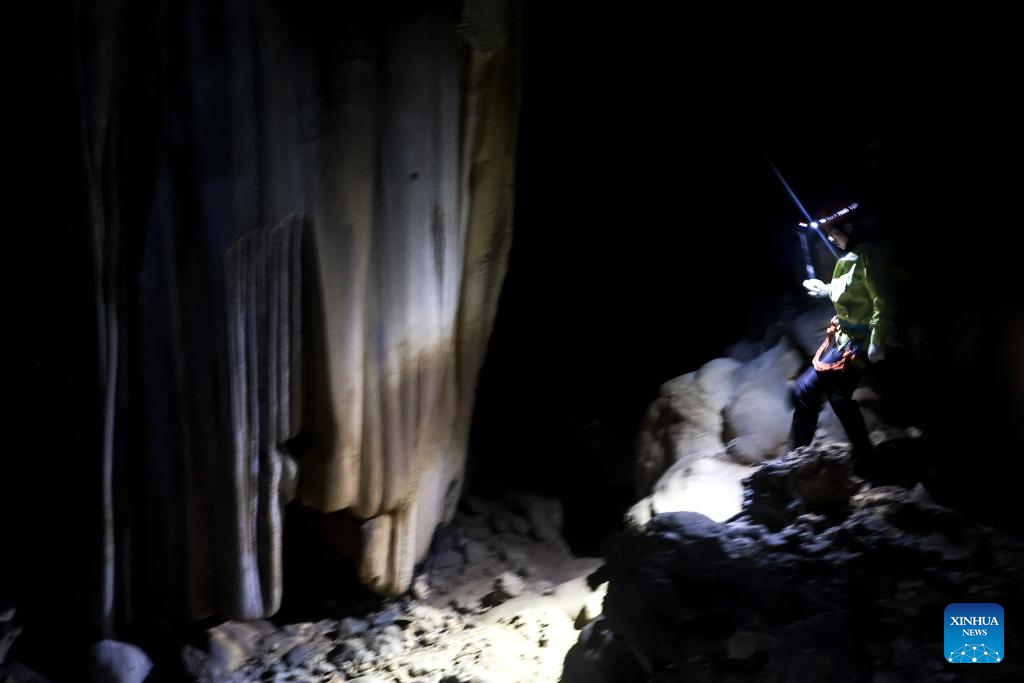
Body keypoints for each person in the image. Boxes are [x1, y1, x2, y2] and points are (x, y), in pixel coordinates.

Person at [790, 202, 893, 470]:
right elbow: (850, 290)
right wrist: (825, 289)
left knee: (835, 396)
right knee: (806, 390)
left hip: (860, 343)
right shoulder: (852, 257)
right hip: (844, 339)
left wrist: (877, 341)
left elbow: (883, 301)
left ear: (850, 227)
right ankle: (798, 459)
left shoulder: (869, 257)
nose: (832, 239)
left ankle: (867, 460)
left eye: (834, 233)